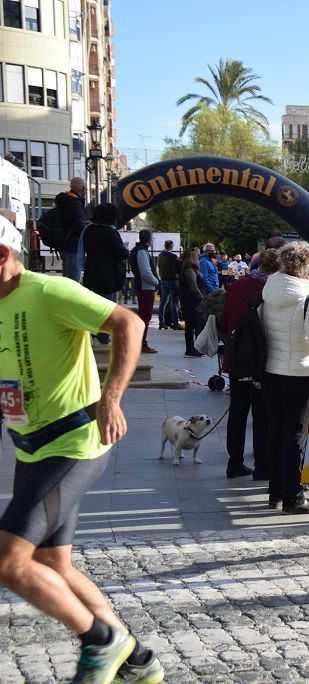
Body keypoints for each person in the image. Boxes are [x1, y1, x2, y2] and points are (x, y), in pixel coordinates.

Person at [0, 211, 164, 683]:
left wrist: (111, 398)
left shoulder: (49, 291)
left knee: (9, 558)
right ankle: (136, 662)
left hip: (75, 442)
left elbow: (129, 323)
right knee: (53, 564)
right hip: (30, 447)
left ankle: (102, 641)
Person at [261, 241, 309, 514]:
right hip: (299, 371)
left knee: (276, 431)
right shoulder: (307, 297)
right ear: (307, 266)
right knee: (295, 436)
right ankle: (294, 496)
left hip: (270, 369)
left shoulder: (268, 291)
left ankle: (276, 490)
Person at [220, 248, 279, 481]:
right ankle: (262, 465)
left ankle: (234, 463)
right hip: (261, 361)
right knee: (262, 412)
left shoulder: (236, 286)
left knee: (237, 411)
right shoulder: (272, 290)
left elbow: (224, 320)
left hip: (237, 357)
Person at [80, 203, 129, 346]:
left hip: (91, 276)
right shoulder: (111, 233)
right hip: (108, 278)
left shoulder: (88, 231)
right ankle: (102, 338)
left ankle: (94, 335)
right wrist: (125, 250)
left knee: (94, 308)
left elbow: (81, 254)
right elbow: (120, 254)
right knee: (107, 309)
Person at [129, 230, 159, 354]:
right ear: (148, 239)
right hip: (145, 288)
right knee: (145, 318)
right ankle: (142, 344)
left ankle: (139, 343)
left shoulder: (139, 250)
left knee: (144, 317)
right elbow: (145, 272)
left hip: (143, 287)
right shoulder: (141, 251)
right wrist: (157, 282)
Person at [55, 177, 88, 282]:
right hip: (73, 246)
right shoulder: (75, 204)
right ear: (83, 189)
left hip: (63, 244)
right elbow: (79, 227)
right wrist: (87, 226)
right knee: (73, 282)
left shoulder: (64, 201)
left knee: (67, 280)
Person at [179, 248, 207, 357]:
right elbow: (194, 287)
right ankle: (194, 349)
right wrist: (202, 298)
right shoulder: (190, 270)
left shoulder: (187, 269)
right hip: (193, 303)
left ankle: (190, 349)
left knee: (190, 327)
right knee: (196, 325)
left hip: (189, 302)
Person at [156, 240, 182, 330]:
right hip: (173, 280)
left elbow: (158, 267)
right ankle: (175, 323)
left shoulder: (160, 255)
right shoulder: (174, 257)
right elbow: (178, 269)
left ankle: (161, 323)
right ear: (172, 247)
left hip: (163, 280)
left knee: (163, 303)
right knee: (174, 303)